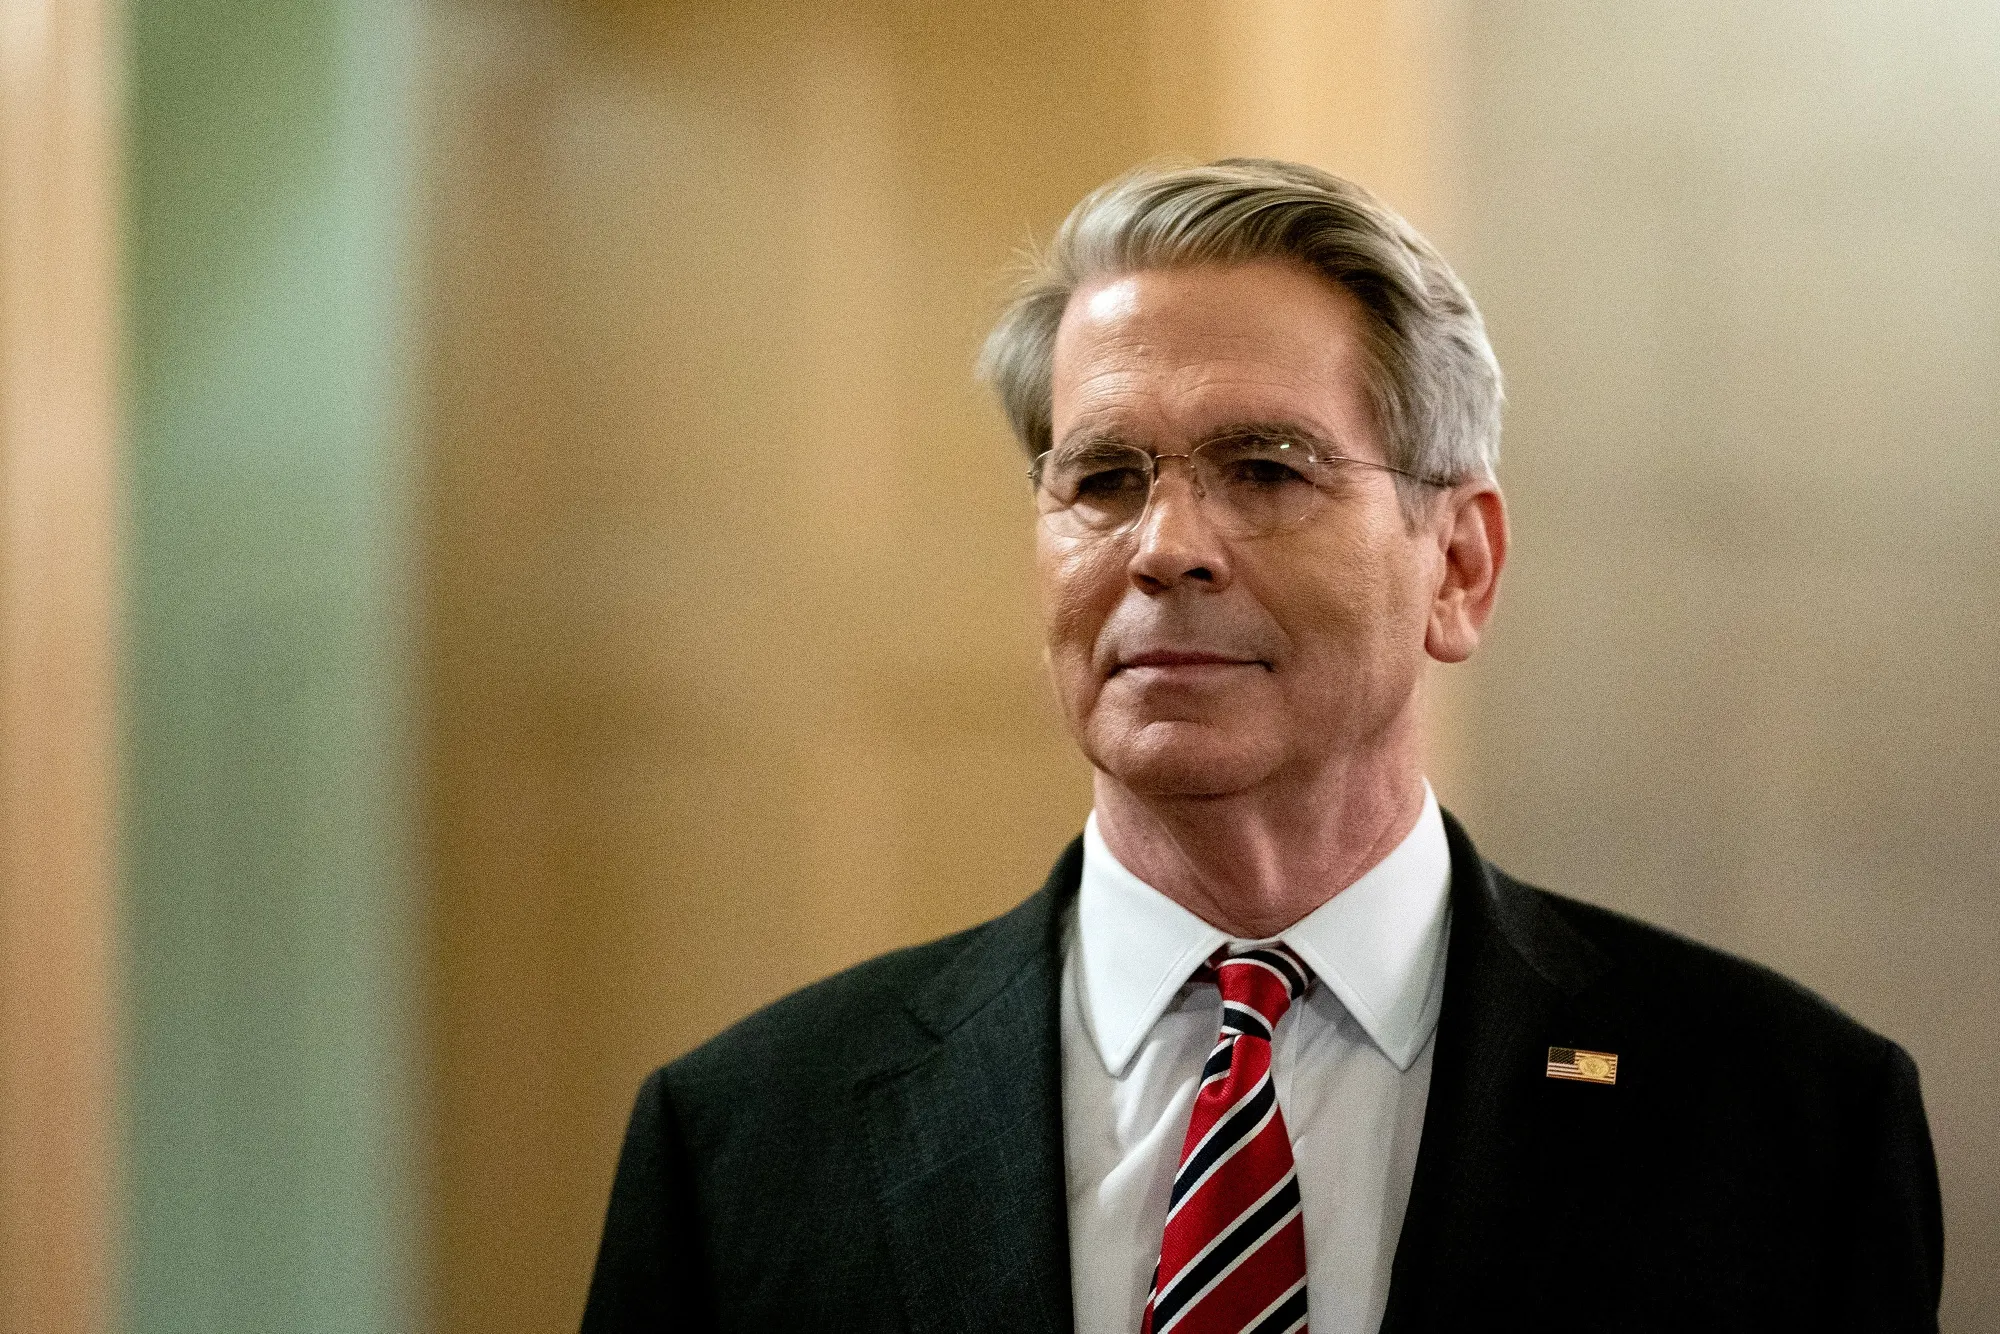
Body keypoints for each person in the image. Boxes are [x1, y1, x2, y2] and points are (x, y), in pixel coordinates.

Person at [579, 159, 1942, 1334]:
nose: (1165, 548)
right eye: (1103, 478)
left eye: (1267, 469)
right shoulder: (746, 1141)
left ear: (1458, 566)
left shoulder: (1788, 1120)